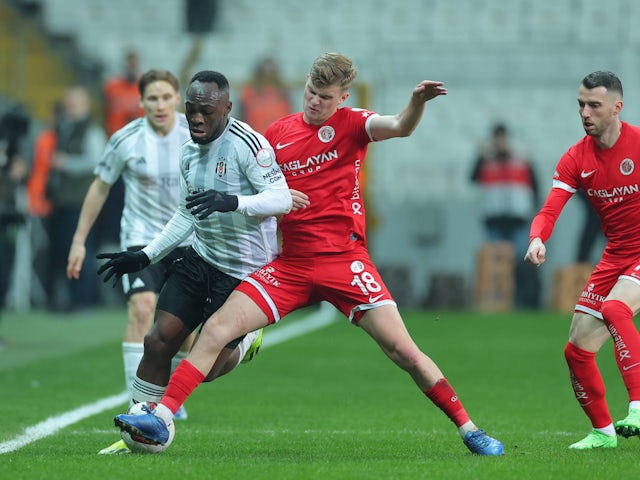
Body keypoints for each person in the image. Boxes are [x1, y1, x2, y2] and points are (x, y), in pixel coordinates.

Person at [111, 53, 504, 456]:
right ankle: (160, 421)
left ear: (342, 98)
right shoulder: (277, 133)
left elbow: (400, 126)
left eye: (325, 96)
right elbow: (263, 188)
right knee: (213, 331)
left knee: (403, 351)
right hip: (292, 264)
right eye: (310, 92)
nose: (314, 102)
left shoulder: (353, 123)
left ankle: (470, 430)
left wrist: (417, 102)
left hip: (345, 261)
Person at [96, 70, 292, 452]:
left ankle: (247, 339)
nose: (197, 119)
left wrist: (233, 201)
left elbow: (281, 198)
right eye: (191, 111)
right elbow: (187, 215)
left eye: (206, 111)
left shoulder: (249, 146)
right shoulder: (188, 152)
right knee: (157, 341)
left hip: (242, 274)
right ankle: (140, 422)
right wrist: (145, 255)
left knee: (206, 368)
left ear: (227, 108)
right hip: (200, 259)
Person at [67, 70, 193, 453]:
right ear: (141, 102)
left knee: (184, 329)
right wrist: (78, 240)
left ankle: (171, 398)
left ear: (177, 100)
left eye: (166, 97)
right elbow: (100, 186)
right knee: (142, 310)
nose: (159, 105)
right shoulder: (125, 140)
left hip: (188, 240)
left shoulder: (196, 133)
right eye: (151, 98)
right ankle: (139, 402)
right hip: (140, 242)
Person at [524, 70, 640, 449]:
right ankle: (603, 433)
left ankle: (638, 405)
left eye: (594, 105)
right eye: (581, 105)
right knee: (576, 349)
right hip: (616, 254)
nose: (585, 112)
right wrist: (538, 238)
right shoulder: (576, 157)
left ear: (617, 108)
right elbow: (550, 208)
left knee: (615, 309)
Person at [46, 86, 107, 311]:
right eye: (68, 103)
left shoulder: (92, 130)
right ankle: (71, 300)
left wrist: (67, 163)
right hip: (64, 201)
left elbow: (97, 162)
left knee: (82, 250)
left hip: (83, 202)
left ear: (85, 104)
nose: (69, 107)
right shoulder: (65, 127)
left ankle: (83, 301)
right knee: (64, 250)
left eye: (73, 103)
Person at [470, 123, 540, 309]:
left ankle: (522, 301)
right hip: (493, 219)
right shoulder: (486, 160)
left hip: (517, 218)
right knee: (496, 263)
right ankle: (497, 301)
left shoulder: (521, 158)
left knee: (520, 261)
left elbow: (535, 185)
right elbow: (472, 177)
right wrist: (480, 155)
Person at [238, 57, 292, 135]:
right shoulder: (249, 92)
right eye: (264, 74)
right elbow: (241, 118)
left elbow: (290, 119)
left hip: (278, 139)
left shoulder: (283, 93)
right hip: (255, 139)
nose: (267, 79)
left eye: (271, 73)